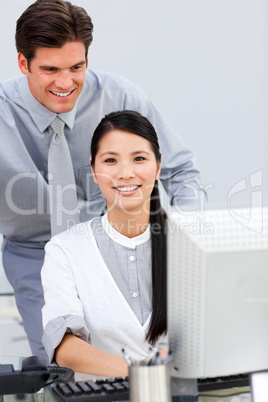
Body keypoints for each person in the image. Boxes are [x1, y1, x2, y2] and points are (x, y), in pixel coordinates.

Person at [0, 0, 204, 359]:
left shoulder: (119, 96)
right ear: (23, 63)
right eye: (50, 69)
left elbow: (179, 170)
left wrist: (187, 246)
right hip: (37, 253)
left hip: (126, 244)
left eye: (76, 67)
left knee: (167, 358)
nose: (66, 83)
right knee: (64, 369)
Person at [41, 110, 198, 401]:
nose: (126, 173)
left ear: (158, 165)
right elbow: (64, 346)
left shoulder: (192, 243)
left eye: (139, 158)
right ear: (93, 169)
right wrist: (140, 372)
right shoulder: (66, 249)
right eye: (111, 160)